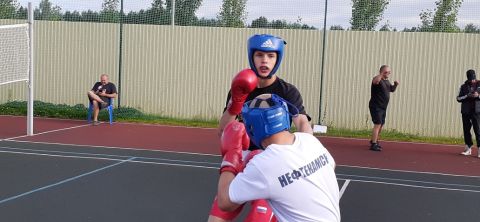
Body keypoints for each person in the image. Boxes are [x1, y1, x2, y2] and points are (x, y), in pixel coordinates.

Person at [209, 34, 313, 222]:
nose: (265, 60)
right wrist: (236, 102)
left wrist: (304, 152)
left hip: (273, 164)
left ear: (278, 58)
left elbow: (303, 123)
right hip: (243, 161)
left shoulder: (287, 91)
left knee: (259, 218)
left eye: (270, 56)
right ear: (252, 56)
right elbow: (223, 131)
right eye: (259, 55)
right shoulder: (240, 88)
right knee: (216, 218)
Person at [216, 94, 340, 222]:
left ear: (253, 127)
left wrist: (231, 154)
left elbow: (224, 202)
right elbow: (332, 164)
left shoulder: (264, 163)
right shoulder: (309, 140)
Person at [368, 65, 399, 151]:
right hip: (376, 106)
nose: (389, 73)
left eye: (389, 71)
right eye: (387, 71)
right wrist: (381, 74)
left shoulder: (386, 81)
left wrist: (395, 85)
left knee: (381, 124)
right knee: (377, 124)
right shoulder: (378, 79)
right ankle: (373, 144)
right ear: (382, 71)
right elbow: (375, 81)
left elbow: (391, 90)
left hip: (383, 107)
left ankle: (374, 140)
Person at [456, 69, 480, 158]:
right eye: (471, 79)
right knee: (466, 130)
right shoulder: (463, 86)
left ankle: (479, 150)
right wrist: (467, 96)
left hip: (477, 112)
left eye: (473, 78)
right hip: (466, 111)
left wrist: (478, 96)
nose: (472, 80)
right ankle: (468, 149)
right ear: (468, 78)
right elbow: (458, 98)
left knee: (478, 130)